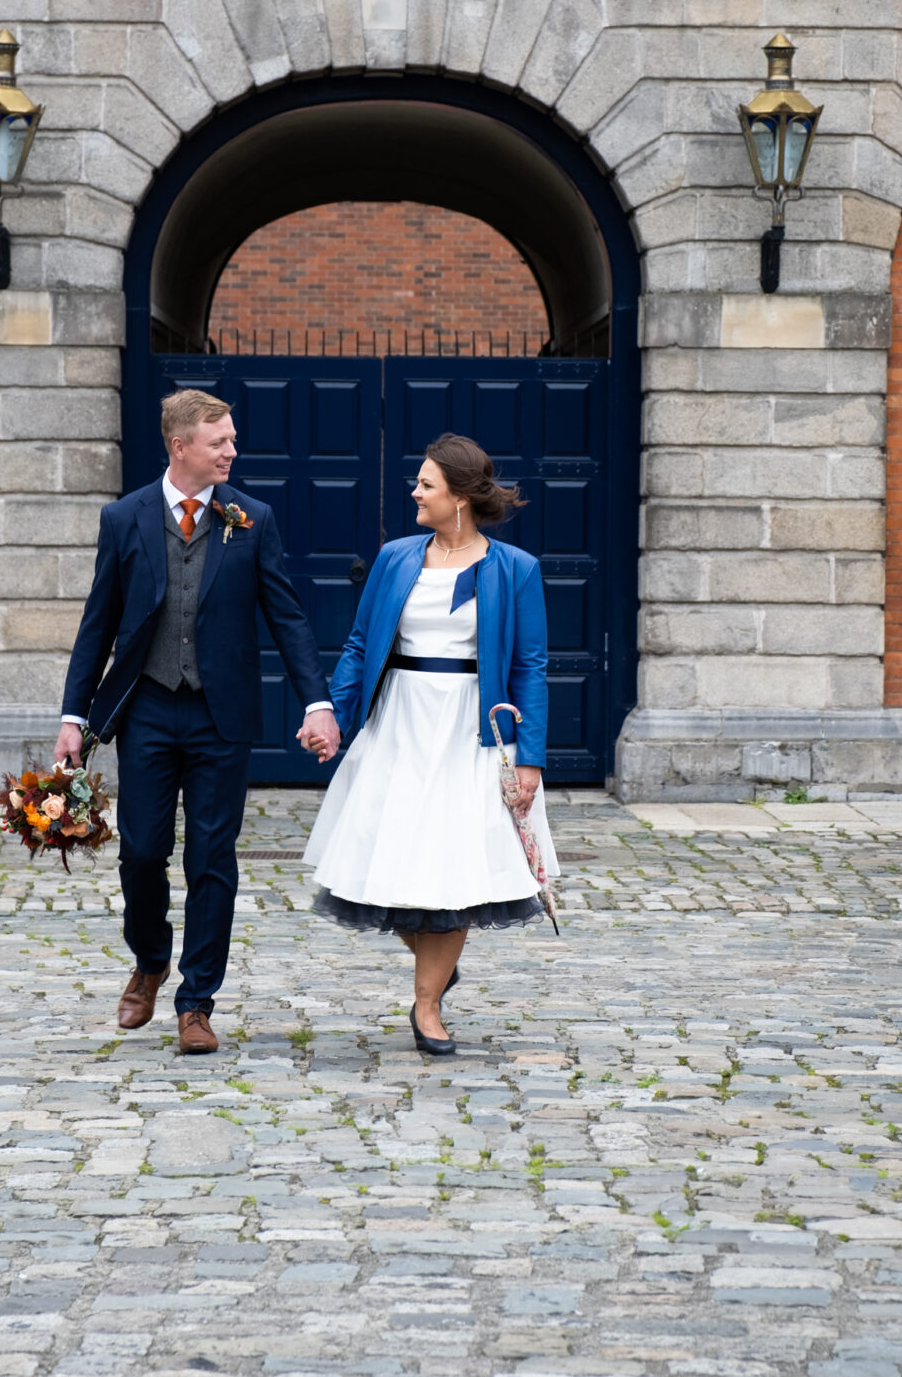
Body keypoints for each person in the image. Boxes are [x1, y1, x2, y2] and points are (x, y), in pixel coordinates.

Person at [55, 390, 340, 1054]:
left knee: (213, 859)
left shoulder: (252, 519)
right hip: (148, 710)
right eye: (220, 442)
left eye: (232, 441)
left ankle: (196, 1003)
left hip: (222, 714)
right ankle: (150, 957)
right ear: (181, 446)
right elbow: (97, 625)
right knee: (142, 852)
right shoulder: (124, 519)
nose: (232, 452)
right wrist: (76, 717)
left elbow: (288, 617)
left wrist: (316, 701)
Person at [299, 433, 557, 1057]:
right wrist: (332, 712)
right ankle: (437, 963)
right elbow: (362, 644)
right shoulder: (395, 558)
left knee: (456, 870)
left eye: (426, 485)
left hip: (471, 732)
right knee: (387, 864)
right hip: (398, 727)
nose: (414, 492)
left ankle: (427, 1003)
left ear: (461, 498)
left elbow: (532, 667)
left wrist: (530, 759)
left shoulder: (515, 569)